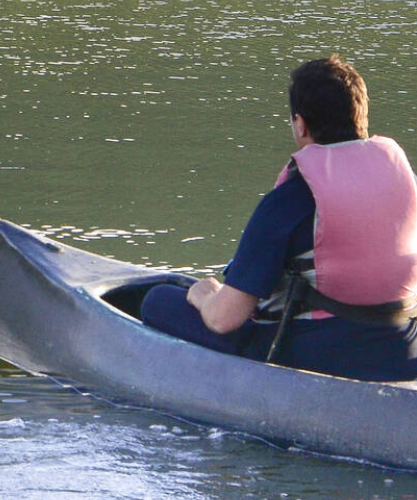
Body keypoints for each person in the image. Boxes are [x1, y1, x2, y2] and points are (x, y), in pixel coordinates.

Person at [141, 55, 417, 380]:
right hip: (404, 352)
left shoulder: (291, 199)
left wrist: (201, 296)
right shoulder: (404, 180)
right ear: (361, 115)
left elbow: (223, 320)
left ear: (300, 124)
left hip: (328, 355)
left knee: (157, 300)